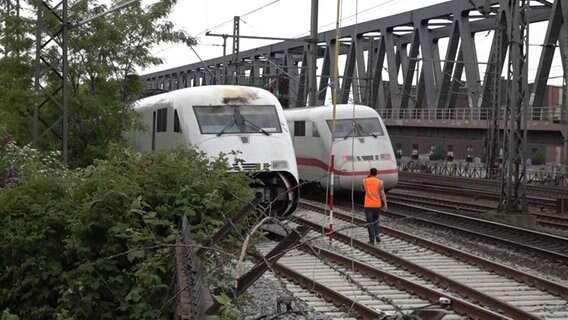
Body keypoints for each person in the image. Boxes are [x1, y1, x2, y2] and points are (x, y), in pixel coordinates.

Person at [362, 168, 388, 244]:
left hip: (368, 205)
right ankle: (377, 236)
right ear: (376, 173)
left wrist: (368, 177)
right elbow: (382, 193)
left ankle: (371, 239)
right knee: (376, 221)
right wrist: (385, 204)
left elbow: (362, 190)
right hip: (377, 205)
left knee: (369, 223)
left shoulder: (365, 181)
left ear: (370, 173)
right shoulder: (380, 182)